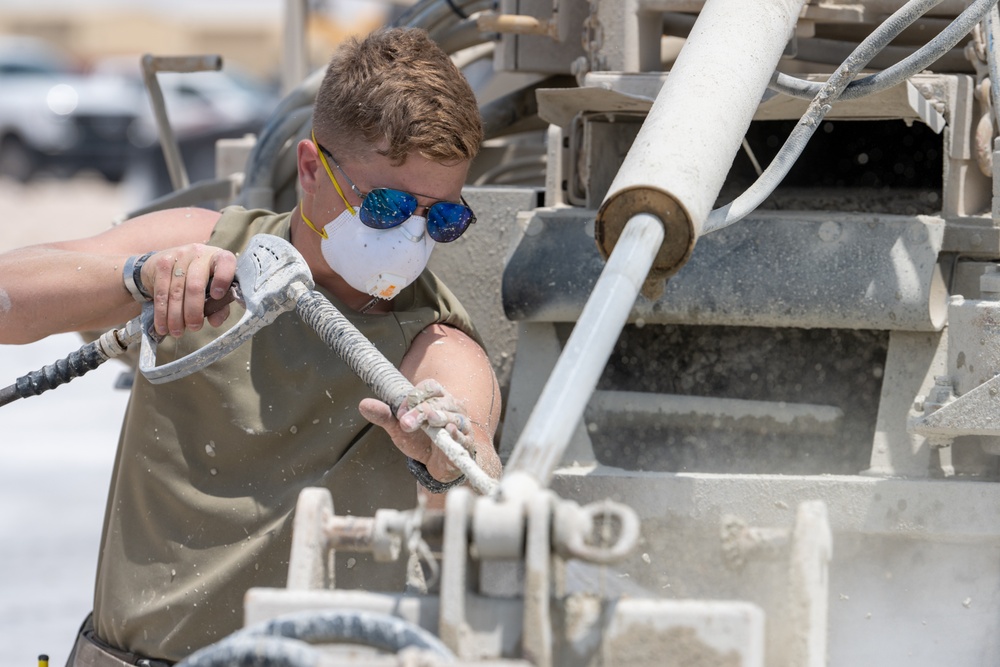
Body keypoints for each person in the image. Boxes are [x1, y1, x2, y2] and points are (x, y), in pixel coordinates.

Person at [0, 27, 501, 666]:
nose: (412, 236)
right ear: (312, 170)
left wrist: (444, 454)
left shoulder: (434, 342)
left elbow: (471, 448)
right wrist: (139, 276)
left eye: (442, 218)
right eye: (387, 206)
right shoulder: (207, 246)